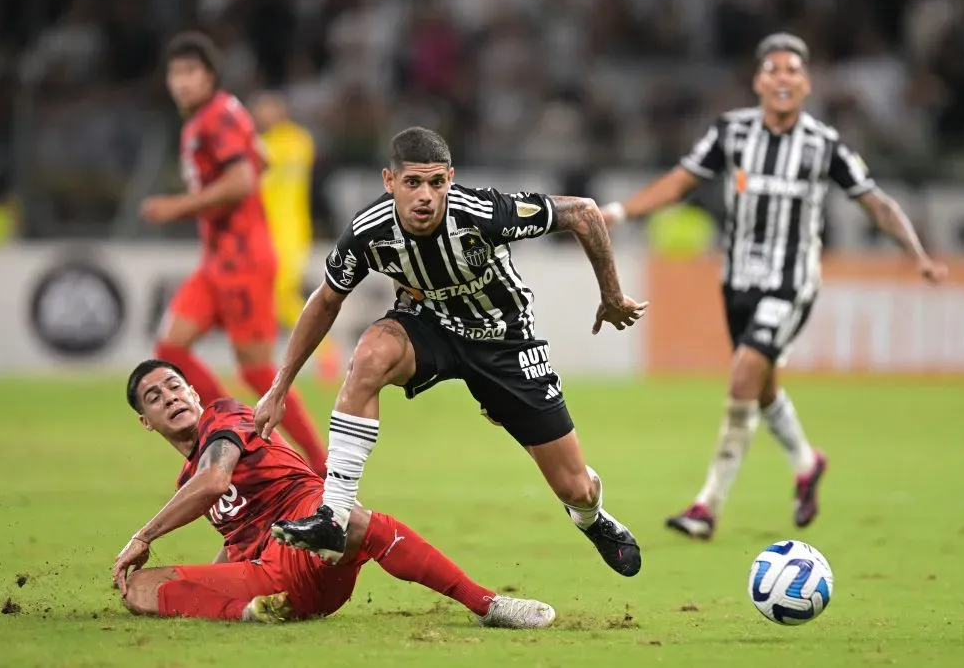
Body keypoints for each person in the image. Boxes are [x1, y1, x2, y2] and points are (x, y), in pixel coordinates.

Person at [598, 33, 948, 540]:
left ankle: (706, 506)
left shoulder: (823, 144)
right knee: (761, 388)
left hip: (792, 283)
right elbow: (681, 181)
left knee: (743, 375)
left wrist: (917, 255)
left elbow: (875, 202)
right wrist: (622, 212)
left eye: (793, 71)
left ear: (806, 84)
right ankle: (807, 463)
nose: (783, 79)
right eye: (774, 70)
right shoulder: (732, 132)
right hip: (738, 281)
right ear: (759, 81)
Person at [254, 127, 647, 577]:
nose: (426, 196)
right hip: (429, 326)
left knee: (574, 486)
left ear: (451, 179)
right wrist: (279, 386)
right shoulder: (370, 231)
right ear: (389, 181)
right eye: (413, 183)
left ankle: (592, 519)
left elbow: (584, 212)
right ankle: (334, 515)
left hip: (503, 340)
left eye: (437, 183)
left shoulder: (484, 212)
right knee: (369, 355)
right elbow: (326, 299)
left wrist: (612, 296)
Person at [112, 359, 555, 628]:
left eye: (174, 386)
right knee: (139, 589)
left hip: (307, 528)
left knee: (347, 520)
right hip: (272, 580)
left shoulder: (225, 417)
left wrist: (144, 536)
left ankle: (487, 604)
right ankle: (251, 612)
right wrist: (207, 584)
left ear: (193, 392)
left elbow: (213, 482)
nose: (169, 397)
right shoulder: (186, 481)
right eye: (154, 397)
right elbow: (237, 544)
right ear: (146, 420)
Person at [139, 31, 327, 475]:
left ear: (210, 77)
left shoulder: (214, 118)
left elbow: (243, 179)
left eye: (191, 72)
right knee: (171, 349)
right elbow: (258, 159)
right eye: (175, 73)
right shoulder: (220, 113)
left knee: (258, 371)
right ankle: (224, 427)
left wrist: (177, 207)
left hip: (243, 260)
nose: (182, 82)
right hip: (218, 261)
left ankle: (319, 469)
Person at [250, 92, 341, 380]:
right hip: (266, 233)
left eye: (265, 109)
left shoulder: (291, 142)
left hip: (291, 233)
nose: (260, 114)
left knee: (279, 295)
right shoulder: (289, 142)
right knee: (266, 297)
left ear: (281, 110)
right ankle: (257, 363)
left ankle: (327, 352)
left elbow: (260, 162)